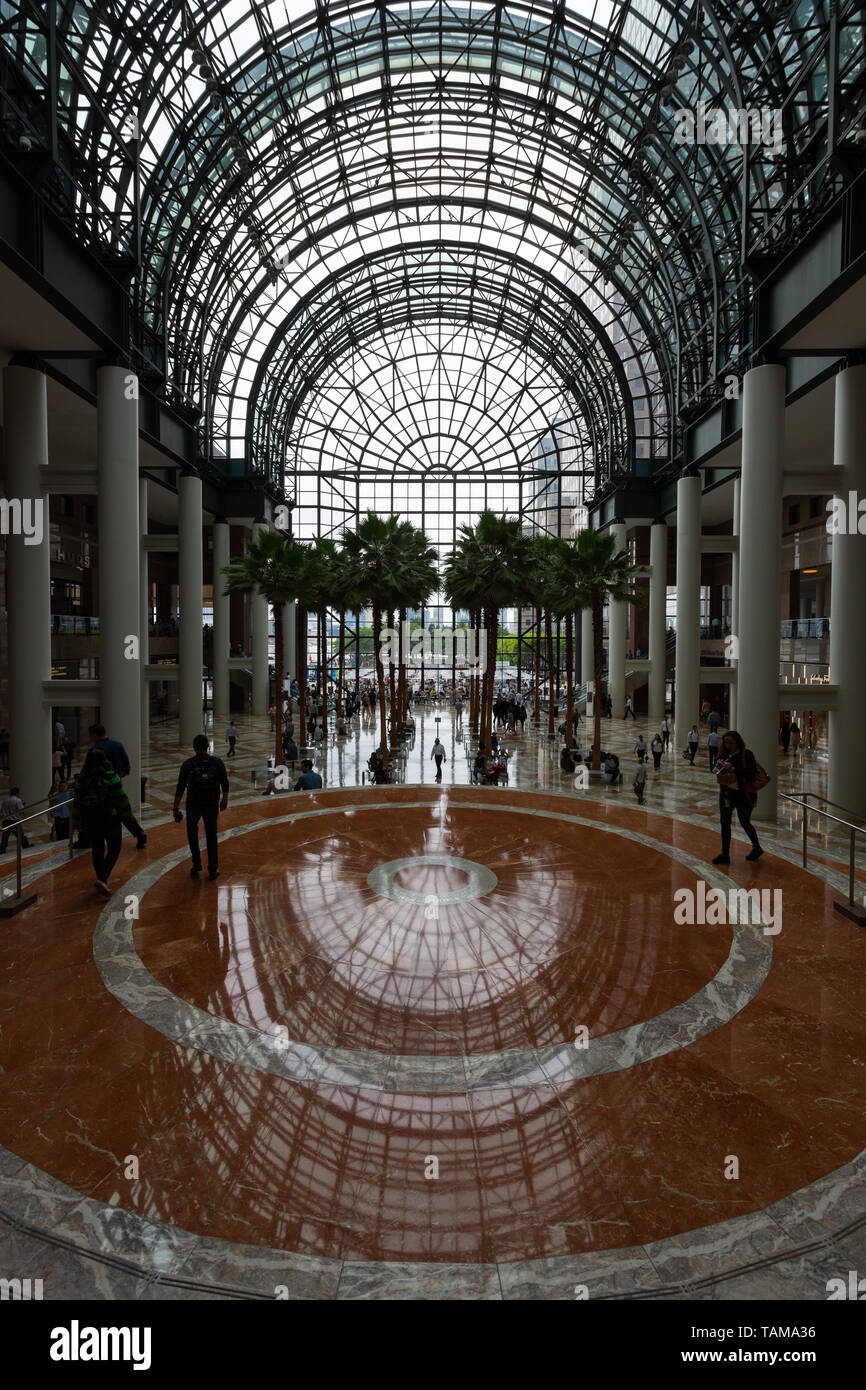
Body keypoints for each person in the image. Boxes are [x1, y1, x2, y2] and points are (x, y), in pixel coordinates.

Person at [71, 750, 131, 894]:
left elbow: (77, 802)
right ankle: (102, 878)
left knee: (97, 849)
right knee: (114, 849)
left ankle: (101, 879)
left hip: (90, 820)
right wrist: (128, 814)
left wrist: (76, 821)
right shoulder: (111, 776)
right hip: (110, 818)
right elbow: (122, 797)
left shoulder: (82, 779)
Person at [173, 734, 229, 881]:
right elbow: (225, 781)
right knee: (211, 835)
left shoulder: (188, 764)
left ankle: (196, 863)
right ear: (208, 746)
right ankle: (213, 868)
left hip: (193, 803)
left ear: (194, 747)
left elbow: (180, 788)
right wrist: (225, 799)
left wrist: (175, 808)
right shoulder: (217, 762)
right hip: (211, 803)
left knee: (192, 832)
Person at [88, 725, 147, 848]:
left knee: (100, 812)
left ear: (94, 735)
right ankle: (139, 833)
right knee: (122, 809)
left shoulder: (95, 750)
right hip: (116, 783)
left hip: (100, 787)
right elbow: (126, 765)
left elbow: (89, 772)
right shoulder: (117, 745)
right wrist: (119, 775)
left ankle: (96, 840)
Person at [713, 730, 764, 865]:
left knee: (744, 822)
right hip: (726, 794)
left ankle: (757, 847)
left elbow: (751, 772)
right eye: (726, 742)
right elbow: (714, 769)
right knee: (725, 823)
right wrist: (719, 766)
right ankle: (725, 854)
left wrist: (734, 769)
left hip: (743, 794)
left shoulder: (746, 754)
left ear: (738, 742)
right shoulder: (724, 754)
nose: (728, 745)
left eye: (731, 742)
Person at [0, 787, 29, 853]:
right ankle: (26, 846)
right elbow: (21, 810)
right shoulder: (17, 800)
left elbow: (2, 810)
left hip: (6, 821)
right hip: (15, 821)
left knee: (5, 837)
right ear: (16, 792)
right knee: (21, 835)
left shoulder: (5, 800)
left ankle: (2, 850)